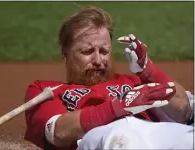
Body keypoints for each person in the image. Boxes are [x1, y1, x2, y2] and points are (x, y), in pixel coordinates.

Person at [24, 5, 193, 150]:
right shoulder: (46, 90)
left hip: (155, 133)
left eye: (104, 51)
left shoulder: (134, 82)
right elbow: (58, 132)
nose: (98, 61)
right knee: (120, 137)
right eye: (87, 52)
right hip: (106, 136)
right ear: (65, 55)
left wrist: (149, 71)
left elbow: (183, 111)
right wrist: (118, 107)